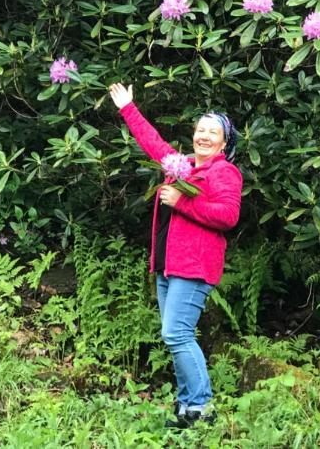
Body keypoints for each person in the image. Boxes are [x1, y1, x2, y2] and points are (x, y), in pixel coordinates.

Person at [108, 83, 242, 429]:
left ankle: (202, 406)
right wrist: (128, 108)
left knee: (176, 334)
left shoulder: (223, 172)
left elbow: (228, 216)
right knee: (175, 335)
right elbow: (154, 145)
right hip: (168, 266)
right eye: (200, 130)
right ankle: (185, 409)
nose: (204, 136)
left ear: (224, 143)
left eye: (213, 132)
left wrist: (182, 203)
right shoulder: (180, 165)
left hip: (194, 267)